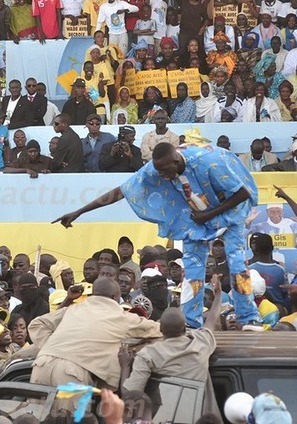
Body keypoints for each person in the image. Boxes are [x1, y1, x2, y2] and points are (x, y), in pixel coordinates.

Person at [54, 142, 262, 328]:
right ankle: (191, 322)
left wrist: (208, 214)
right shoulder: (157, 167)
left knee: (236, 262)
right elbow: (121, 191)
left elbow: (243, 193)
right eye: (158, 171)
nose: (161, 175)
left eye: (164, 170)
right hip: (198, 214)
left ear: (175, 160)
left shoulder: (209, 161)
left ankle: (248, 317)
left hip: (230, 209)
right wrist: (79, 211)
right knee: (192, 269)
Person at [30, 279, 161, 396]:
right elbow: (162, 331)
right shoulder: (122, 317)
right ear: (115, 297)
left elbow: (37, 324)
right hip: (72, 373)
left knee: (37, 416)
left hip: (40, 366)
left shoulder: (74, 309)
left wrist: (52, 347)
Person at [122, 275, 222, 411]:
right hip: (198, 415)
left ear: (161, 329)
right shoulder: (200, 342)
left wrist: (125, 366)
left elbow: (129, 395)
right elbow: (211, 322)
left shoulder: (148, 355)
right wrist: (219, 294)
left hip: (166, 416)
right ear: (184, 328)